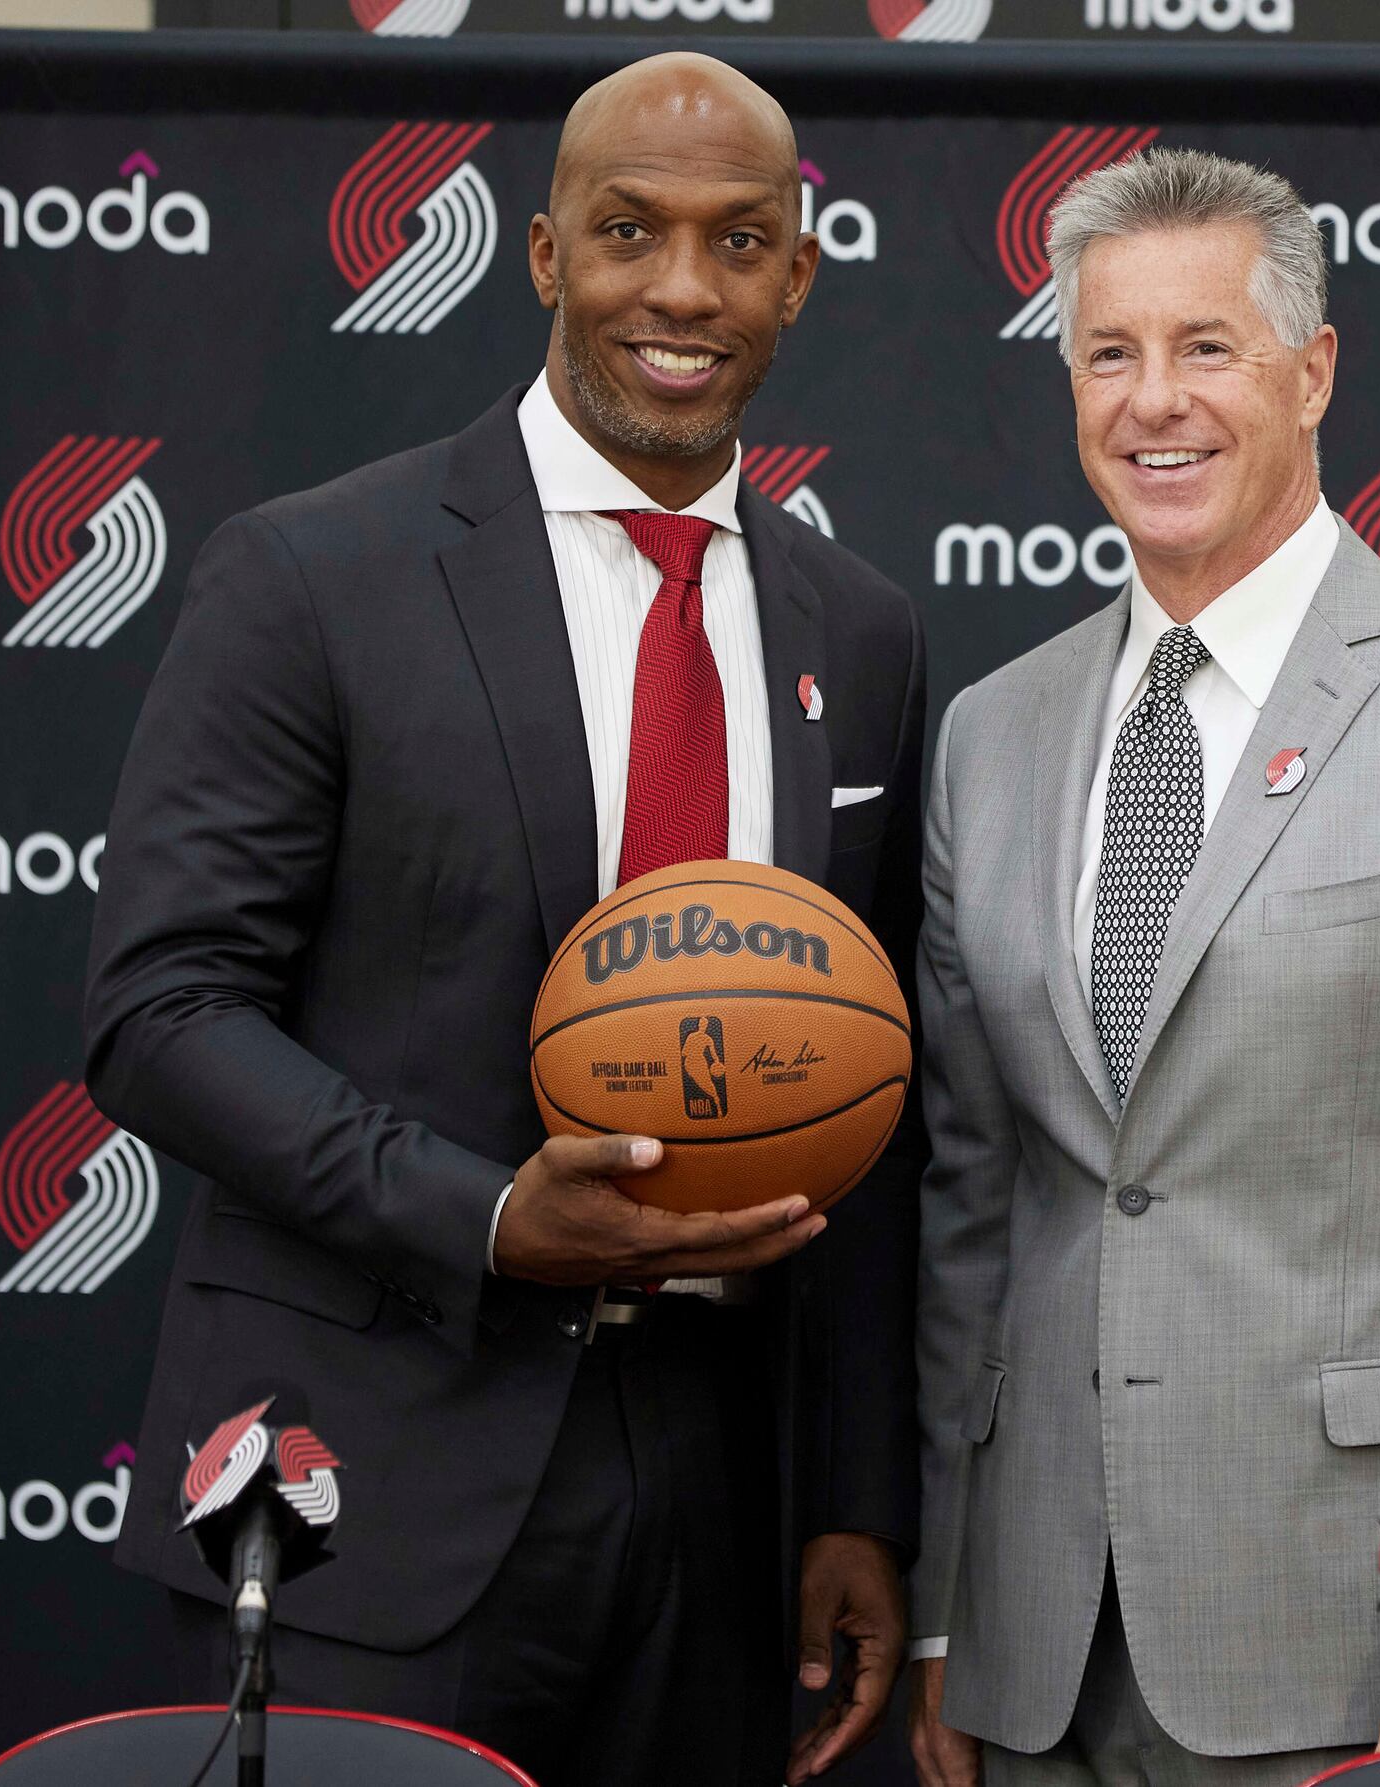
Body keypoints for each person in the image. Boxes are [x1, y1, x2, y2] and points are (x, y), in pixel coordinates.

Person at [86, 53, 924, 1787]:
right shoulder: (312, 573)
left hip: (718, 1497)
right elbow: (160, 1010)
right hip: (372, 1482)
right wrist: (481, 1217)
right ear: (543, 255)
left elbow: (873, 1102)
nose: (681, 290)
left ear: (798, 273)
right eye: (628, 231)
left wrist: (854, 1504)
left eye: (737, 240)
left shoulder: (864, 630)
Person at [908, 148, 1380, 1785]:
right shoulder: (992, 736)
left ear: (1312, 373)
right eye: (1110, 354)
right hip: (1036, 1654)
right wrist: (949, 1608)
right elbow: (977, 1201)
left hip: (1363, 1629)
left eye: (1207, 348)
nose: (1152, 401)